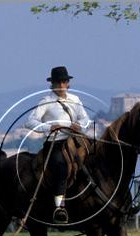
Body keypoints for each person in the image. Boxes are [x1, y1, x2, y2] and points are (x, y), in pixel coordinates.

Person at [25, 66, 91, 223]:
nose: (61, 85)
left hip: (75, 140)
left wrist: (80, 126)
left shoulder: (75, 100)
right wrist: (49, 127)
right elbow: (29, 122)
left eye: (64, 81)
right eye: (58, 82)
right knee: (61, 167)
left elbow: (85, 119)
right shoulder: (46, 102)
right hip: (55, 142)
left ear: (68, 83)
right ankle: (59, 208)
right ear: (52, 84)